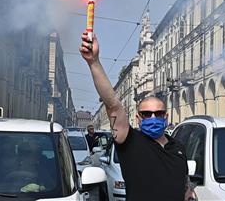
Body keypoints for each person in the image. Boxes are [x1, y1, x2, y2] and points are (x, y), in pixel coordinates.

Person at [79, 32, 196, 201]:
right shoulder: (130, 142)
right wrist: (94, 62)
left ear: (166, 117)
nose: (153, 117)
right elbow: (113, 106)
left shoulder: (178, 147)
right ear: (138, 119)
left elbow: (184, 185)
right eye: (147, 114)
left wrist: (189, 194)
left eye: (158, 113)